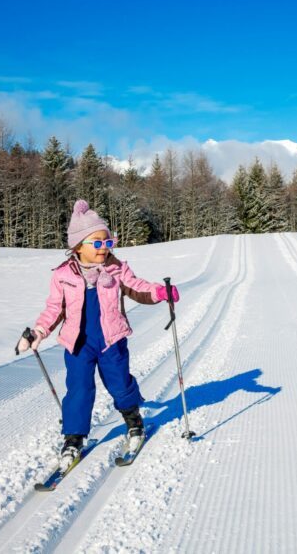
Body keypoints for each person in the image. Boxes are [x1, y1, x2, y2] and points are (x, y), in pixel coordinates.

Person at [17, 199, 180, 466]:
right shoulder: (63, 275)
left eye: (108, 242)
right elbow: (54, 309)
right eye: (98, 243)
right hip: (78, 344)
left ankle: (133, 421)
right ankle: (73, 438)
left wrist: (160, 292)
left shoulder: (116, 268)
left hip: (110, 340)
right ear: (78, 246)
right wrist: (38, 332)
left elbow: (136, 286)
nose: (105, 248)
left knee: (120, 383)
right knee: (78, 389)